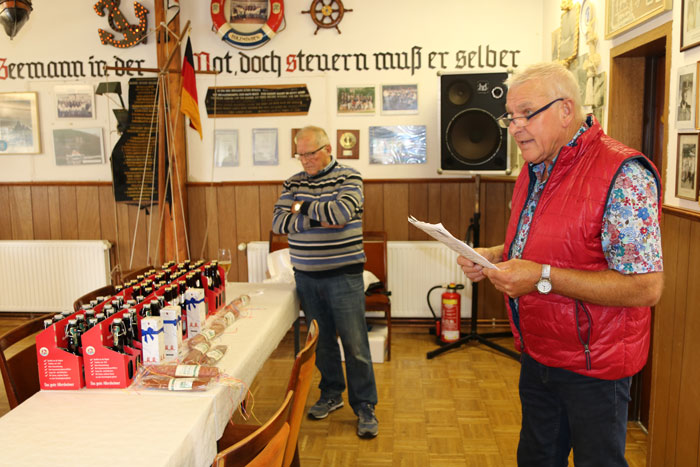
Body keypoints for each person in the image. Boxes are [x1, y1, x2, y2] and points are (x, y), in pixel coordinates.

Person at [458, 62, 664, 466]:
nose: (515, 127)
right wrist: (497, 255)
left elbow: (645, 287)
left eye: (526, 114)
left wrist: (542, 278)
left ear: (566, 110)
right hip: (538, 352)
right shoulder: (536, 166)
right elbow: (554, 245)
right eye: (510, 117)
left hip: (595, 364)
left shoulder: (623, 174)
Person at [272, 125, 379, 439]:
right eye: (300, 154)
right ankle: (332, 393)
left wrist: (300, 208)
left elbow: (341, 214)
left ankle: (365, 406)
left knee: (355, 345)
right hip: (306, 276)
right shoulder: (292, 182)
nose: (305, 160)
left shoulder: (349, 177)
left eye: (310, 153)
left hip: (344, 275)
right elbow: (278, 222)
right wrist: (320, 216)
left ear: (328, 149)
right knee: (322, 343)